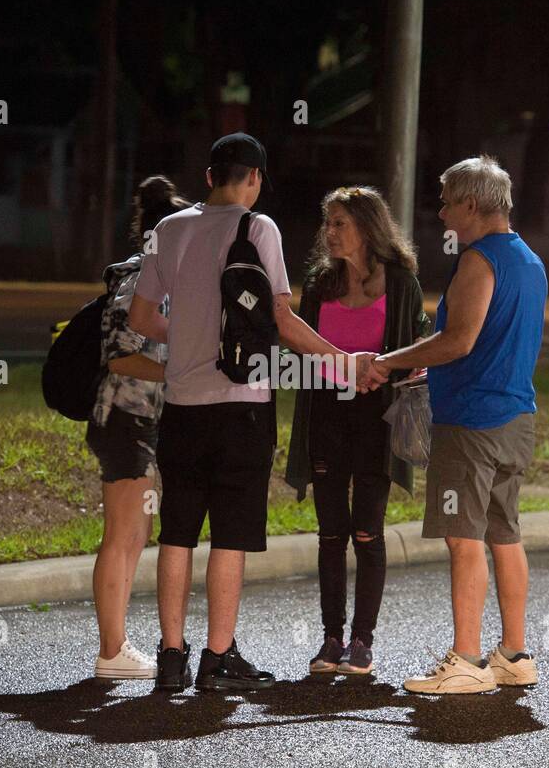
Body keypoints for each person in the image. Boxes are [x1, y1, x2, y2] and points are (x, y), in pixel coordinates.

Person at [129, 133, 358, 692]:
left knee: (178, 533)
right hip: (244, 406)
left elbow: (140, 317)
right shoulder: (259, 228)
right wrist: (344, 361)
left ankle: (171, 657)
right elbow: (281, 319)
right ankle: (218, 657)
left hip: (182, 406)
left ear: (209, 176)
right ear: (253, 178)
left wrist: (185, 335)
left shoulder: (168, 230)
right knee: (230, 534)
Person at [364, 155, 547, 694]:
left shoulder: (479, 260)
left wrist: (390, 360)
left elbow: (459, 340)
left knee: (463, 540)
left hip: (470, 422)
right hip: (516, 416)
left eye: (446, 202)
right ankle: (514, 654)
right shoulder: (528, 260)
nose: (441, 213)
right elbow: (490, 341)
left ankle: (466, 660)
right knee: (505, 534)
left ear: (471, 204)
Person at [284, 186, 431, 676]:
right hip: (327, 415)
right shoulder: (320, 283)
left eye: (339, 222)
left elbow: (417, 347)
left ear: (368, 227)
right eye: (327, 222)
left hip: (377, 420)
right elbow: (298, 350)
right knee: (331, 534)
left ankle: (363, 642)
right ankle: (331, 639)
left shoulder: (402, 282)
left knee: (367, 531)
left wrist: (387, 372)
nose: (329, 232)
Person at [87, 176, 190, 679]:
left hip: (142, 421)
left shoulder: (163, 281)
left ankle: (117, 646)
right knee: (123, 535)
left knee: (133, 533)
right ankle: (112, 650)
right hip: (124, 418)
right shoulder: (135, 283)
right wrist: (182, 371)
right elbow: (120, 359)